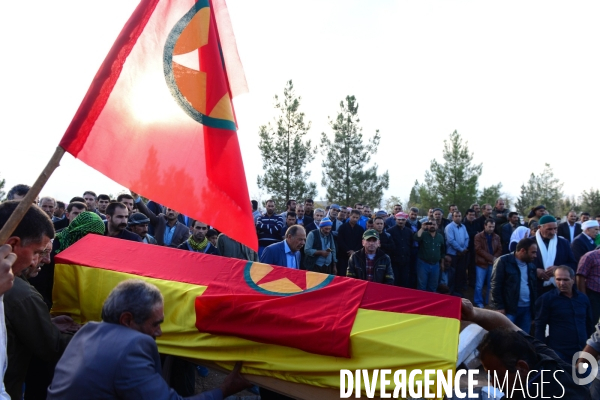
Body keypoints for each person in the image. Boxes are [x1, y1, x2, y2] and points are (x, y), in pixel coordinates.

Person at [47, 279, 250, 399]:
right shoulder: (131, 347)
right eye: (155, 323)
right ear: (127, 319)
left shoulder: (87, 331)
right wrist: (224, 390)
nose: (160, 332)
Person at [0, 201, 80, 399]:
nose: (40, 260)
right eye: (37, 252)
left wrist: (48, 324)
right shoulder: (20, 293)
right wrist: (97, 335)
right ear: (13, 244)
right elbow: (51, 346)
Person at [461, 298, 591, 399]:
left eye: (499, 376)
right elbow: (507, 325)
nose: (494, 383)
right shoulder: (544, 359)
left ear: (522, 367)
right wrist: (473, 313)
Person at [31, 211, 106, 310]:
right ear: (78, 229)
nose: (91, 241)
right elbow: (39, 282)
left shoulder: (90, 252)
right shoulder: (53, 247)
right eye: (89, 236)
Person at [534, 266, 594, 363]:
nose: (562, 283)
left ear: (573, 280)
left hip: (582, 351)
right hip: (559, 352)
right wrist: (541, 351)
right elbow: (540, 326)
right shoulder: (547, 299)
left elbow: (589, 324)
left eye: (565, 280)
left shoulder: (583, 299)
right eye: (558, 279)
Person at [491, 238, 538, 333]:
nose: (535, 256)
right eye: (532, 252)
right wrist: (499, 306)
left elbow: (533, 288)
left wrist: (533, 312)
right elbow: (496, 285)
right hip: (509, 309)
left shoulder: (531, 265)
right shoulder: (503, 261)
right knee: (506, 337)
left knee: (524, 339)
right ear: (522, 251)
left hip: (527, 309)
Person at [533, 215, 576, 295]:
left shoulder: (563, 243)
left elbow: (572, 264)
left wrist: (559, 269)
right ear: (539, 227)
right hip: (536, 287)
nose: (553, 232)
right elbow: (520, 263)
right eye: (549, 229)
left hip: (559, 289)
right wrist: (535, 271)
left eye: (555, 229)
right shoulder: (529, 243)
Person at [473, 219, 501, 308]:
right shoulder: (478, 236)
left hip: (492, 263)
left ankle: (488, 301)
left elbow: (500, 249)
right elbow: (478, 249)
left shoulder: (497, 237)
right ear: (485, 226)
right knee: (479, 284)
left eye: (493, 227)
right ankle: (478, 301)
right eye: (489, 226)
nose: (491, 228)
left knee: (491, 284)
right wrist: (492, 258)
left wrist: (494, 258)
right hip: (481, 263)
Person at [414, 220, 446, 292]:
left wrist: (442, 263)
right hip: (423, 264)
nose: (432, 226)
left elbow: (443, 251)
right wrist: (422, 228)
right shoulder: (423, 234)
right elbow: (416, 238)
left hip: (435, 265)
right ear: (427, 226)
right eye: (430, 224)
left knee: (433, 286)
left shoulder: (440, 237)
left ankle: (431, 302)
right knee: (422, 285)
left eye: (434, 224)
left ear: (437, 226)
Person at [445, 211, 469, 296]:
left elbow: (467, 238)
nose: (458, 217)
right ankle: (451, 291)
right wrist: (460, 249)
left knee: (460, 272)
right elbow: (451, 240)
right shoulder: (449, 227)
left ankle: (458, 291)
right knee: (452, 273)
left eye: (459, 216)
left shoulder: (463, 227)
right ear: (452, 217)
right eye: (456, 216)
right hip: (452, 254)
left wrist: (463, 249)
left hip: (461, 254)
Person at [387, 212, 413, 287]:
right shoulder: (390, 231)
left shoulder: (409, 231)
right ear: (396, 220)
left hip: (405, 261)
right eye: (399, 219)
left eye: (402, 220)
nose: (400, 221)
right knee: (394, 281)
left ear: (406, 220)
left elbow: (410, 245)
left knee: (404, 281)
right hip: (394, 261)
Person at [336, 210, 365, 277]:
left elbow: (361, 242)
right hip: (343, 255)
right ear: (350, 216)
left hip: (356, 255)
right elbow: (340, 241)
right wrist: (348, 250)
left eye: (357, 217)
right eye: (353, 217)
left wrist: (354, 251)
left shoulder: (360, 229)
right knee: (342, 274)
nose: (355, 219)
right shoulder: (342, 227)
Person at [577, 249, 600, 324]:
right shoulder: (590, 256)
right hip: (593, 294)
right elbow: (580, 276)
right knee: (592, 321)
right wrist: (583, 296)